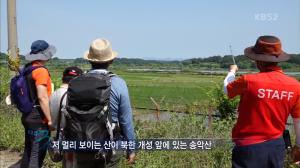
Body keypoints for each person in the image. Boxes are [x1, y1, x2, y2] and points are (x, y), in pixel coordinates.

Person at [224, 35, 300, 167]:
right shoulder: (295, 86)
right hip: (276, 147)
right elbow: (298, 121)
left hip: (248, 148)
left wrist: (232, 72)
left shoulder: (248, 80)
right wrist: (298, 147)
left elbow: (226, 89)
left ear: (258, 60)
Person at [65, 38, 136, 168]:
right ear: (111, 60)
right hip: (109, 147)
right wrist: (131, 149)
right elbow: (126, 120)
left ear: (89, 60)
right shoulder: (119, 84)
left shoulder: (76, 82)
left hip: (81, 145)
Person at [21, 40, 56, 168]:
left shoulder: (26, 68)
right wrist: (50, 120)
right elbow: (42, 97)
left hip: (27, 115)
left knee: (29, 151)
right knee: (37, 153)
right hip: (38, 118)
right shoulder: (41, 71)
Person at [50, 66, 83, 168]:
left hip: (57, 136)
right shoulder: (73, 96)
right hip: (70, 135)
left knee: (67, 163)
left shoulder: (53, 94)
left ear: (63, 78)